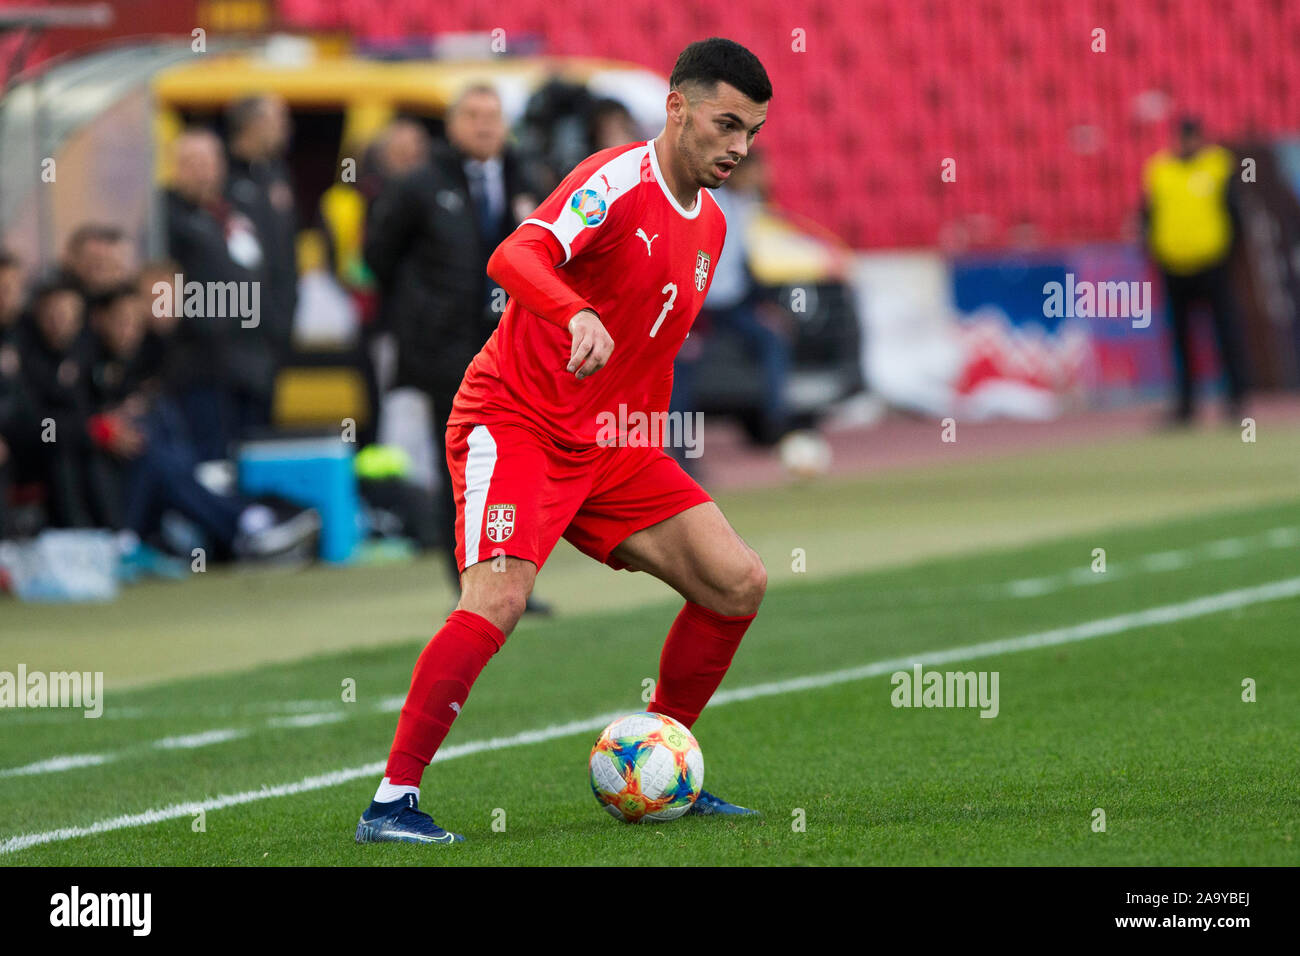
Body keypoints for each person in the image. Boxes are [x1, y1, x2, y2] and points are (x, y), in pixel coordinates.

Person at [355, 37, 772, 845]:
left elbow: (652, 352)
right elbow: (515, 254)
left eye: (751, 132)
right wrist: (572, 311)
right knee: (500, 598)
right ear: (676, 107)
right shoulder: (613, 180)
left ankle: (664, 756)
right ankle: (393, 801)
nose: (739, 147)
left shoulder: (712, 228)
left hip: (611, 445)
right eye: (726, 124)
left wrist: (646, 444)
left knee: (737, 582)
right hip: (516, 421)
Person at [364, 85, 544, 608]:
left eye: (493, 115)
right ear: (451, 124)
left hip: (513, 347)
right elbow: (378, 257)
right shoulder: (418, 184)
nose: (485, 125)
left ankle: (511, 582)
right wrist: (422, 312)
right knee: (463, 469)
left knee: (514, 466)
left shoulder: (522, 178)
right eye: (473, 115)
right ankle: (467, 584)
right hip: (447, 354)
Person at [163, 128, 269, 461]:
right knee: (209, 453)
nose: (202, 171)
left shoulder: (235, 211)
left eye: (208, 161)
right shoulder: (167, 216)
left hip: (250, 358)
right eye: (191, 162)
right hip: (199, 362)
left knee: (249, 452)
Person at [1141, 116, 1248, 425]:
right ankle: (1186, 405)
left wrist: (1230, 255)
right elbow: (1149, 213)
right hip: (1173, 265)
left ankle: (1236, 400)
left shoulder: (1218, 165)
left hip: (1211, 263)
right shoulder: (1160, 169)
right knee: (1180, 339)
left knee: (1225, 333)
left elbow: (1233, 212)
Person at [225, 95, 298, 372]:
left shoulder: (275, 172)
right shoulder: (225, 178)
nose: (286, 128)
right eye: (279, 120)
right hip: (241, 327)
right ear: (254, 124)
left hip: (277, 322)